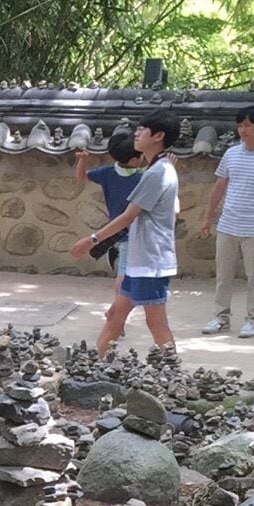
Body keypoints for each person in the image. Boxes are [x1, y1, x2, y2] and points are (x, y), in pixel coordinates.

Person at [70, 112, 181, 357]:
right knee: (114, 316)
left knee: (156, 324)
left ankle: (174, 376)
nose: (137, 134)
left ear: (158, 136)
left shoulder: (157, 173)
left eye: (143, 130)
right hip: (139, 260)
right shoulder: (158, 169)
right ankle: (95, 366)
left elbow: (128, 216)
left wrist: (91, 240)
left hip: (150, 262)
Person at [201, 104, 254, 338]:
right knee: (223, 275)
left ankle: (252, 319)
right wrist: (208, 216)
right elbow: (219, 185)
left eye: (248, 125)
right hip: (228, 223)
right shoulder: (231, 153)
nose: (243, 130)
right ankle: (221, 317)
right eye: (240, 125)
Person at [74, 127, 141, 276]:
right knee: (127, 277)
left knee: (124, 273)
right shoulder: (143, 178)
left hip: (117, 232)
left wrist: (83, 160)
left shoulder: (106, 173)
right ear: (135, 160)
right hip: (136, 232)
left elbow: (81, 176)